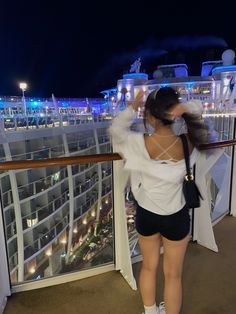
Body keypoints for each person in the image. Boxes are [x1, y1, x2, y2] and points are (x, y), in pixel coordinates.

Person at [109, 87, 208, 314]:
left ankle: (151, 311)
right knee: (173, 275)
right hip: (176, 216)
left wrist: (132, 107)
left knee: (148, 267)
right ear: (175, 114)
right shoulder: (189, 144)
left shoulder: (136, 144)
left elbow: (115, 129)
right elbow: (203, 120)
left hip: (147, 215)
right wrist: (186, 108)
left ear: (150, 116)